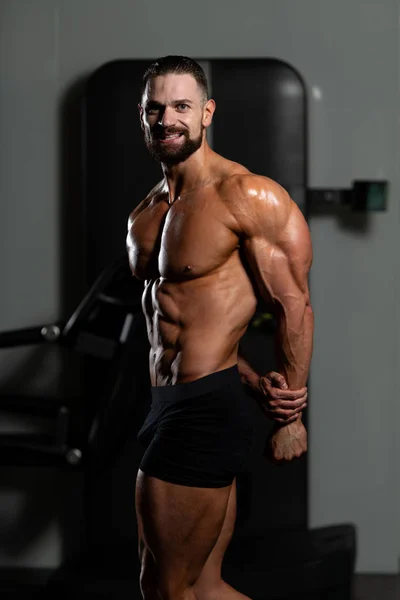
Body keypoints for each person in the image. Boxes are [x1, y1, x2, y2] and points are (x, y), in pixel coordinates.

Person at [126, 56, 314, 600]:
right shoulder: (145, 213)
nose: (168, 119)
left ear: (207, 113)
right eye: (155, 108)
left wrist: (291, 416)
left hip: (203, 412)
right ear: (142, 117)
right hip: (171, 402)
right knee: (202, 587)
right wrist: (254, 383)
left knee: (165, 589)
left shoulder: (246, 196)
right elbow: (176, 320)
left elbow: (294, 306)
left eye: (182, 106)